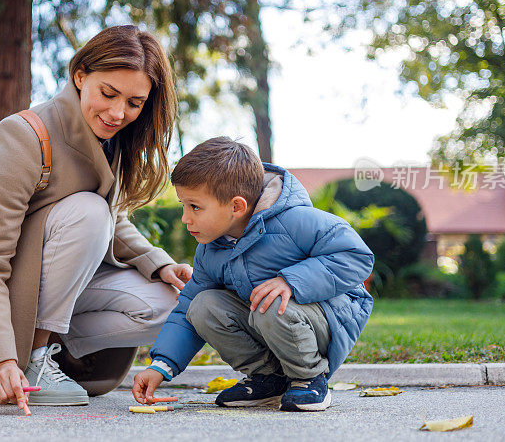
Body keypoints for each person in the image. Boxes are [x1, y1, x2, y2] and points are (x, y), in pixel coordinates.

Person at [0, 25, 193, 412]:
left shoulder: (110, 139)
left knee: (171, 302)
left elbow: (113, 220)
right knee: (89, 214)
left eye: (134, 102)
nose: (118, 113)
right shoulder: (24, 136)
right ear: (81, 77)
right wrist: (1, 360)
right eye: (108, 93)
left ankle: (49, 353)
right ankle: (29, 359)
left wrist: (158, 264)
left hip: (46, 284)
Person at [132, 137, 374, 411]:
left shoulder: (296, 220)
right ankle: (268, 380)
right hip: (272, 319)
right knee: (202, 305)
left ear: (236, 206)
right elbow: (186, 308)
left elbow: (357, 256)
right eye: (183, 205)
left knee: (269, 302)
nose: (185, 218)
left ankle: (309, 379)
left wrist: (291, 281)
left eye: (195, 207)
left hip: (326, 318)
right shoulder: (212, 248)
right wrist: (161, 366)